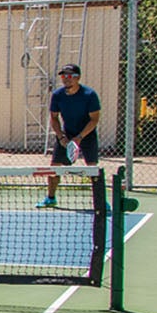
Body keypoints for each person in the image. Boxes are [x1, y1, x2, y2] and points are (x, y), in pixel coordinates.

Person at [38, 64, 101, 209]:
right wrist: (61, 137)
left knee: (93, 168)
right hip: (66, 135)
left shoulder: (89, 95)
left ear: (77, 78)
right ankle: (50, 198)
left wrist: (79, 137)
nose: (66, 79)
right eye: (63, 76)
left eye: (70, 76)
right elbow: (54, 118)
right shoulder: (58, 95)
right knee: (54, 168)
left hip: (87, 135)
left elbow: (94, 119)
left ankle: (100, 201)